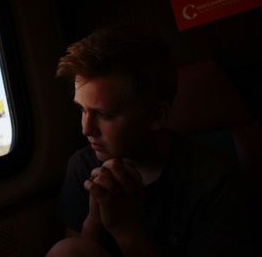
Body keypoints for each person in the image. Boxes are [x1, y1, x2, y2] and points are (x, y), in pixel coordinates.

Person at [46, 26, 248, 257]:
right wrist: (95, 218)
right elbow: (78, 249)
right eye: (82, 110)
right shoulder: (82, 165)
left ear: (156, 116)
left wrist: (126, 231)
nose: (86, 129)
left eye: (104, 114)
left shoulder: (212, 181)